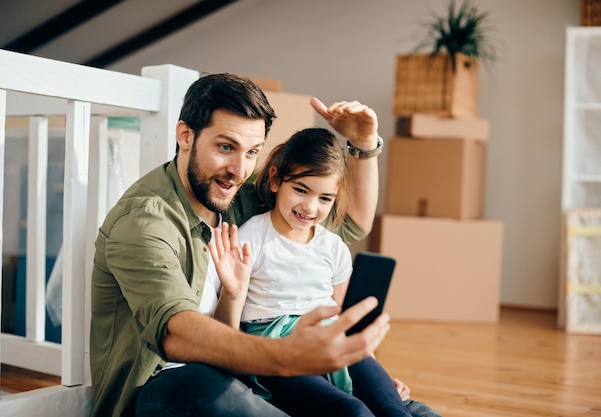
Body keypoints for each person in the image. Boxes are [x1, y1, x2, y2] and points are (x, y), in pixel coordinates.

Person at [90, 72, 388, 417]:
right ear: (185, 135)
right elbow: (176, 333)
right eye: (225, 147)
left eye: (252, 152)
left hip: (239, 374)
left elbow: (349, 223)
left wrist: (365, 143)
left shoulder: (233, 198)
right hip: (163, 388)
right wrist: (287, 355)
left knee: (403, 410)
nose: (239, 169)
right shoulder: (144, 221)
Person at [209, 128, 442, 417]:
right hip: (276, 348)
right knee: (353, 410)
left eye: (325, 199)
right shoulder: (250, 239)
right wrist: (232, 291)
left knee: (393, 408)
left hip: (331, 339)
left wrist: (376, 376)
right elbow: (226, 336)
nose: (310, 207)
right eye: (301, 190)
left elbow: (348, 323)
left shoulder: (333, 247)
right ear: (275, 180)